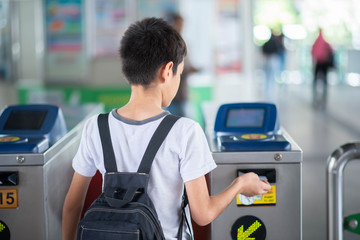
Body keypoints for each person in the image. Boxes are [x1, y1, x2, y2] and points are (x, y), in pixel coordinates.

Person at [62, 17, 271, 240]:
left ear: (126, 69)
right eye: (179, 73)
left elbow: (72, 205)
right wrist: (240, 184)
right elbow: (203, 214)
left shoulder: (96, 127)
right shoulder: (185, 131)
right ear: (167, 71)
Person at [166, 13, 199, 117]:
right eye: (178, 24)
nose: (181, 27)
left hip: (182, 92)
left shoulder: (182, 43)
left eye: (182, 24)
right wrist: (186, 70)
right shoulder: (167, 44)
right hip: (172, 95)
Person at [311, 28, 334, 109]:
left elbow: (313, 53)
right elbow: (331, 51)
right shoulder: (325, 43)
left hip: (319, 64)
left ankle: (316, 100)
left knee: (315, 83)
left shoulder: (316, 42)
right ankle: (323, 101)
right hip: (324, 65)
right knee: (324, 83)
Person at [262, 30, 282, 101]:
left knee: (268, 77)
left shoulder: (267, 43)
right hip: (272, 60)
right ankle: (270, 93)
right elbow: (280, 50)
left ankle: (268, 93)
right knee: (272, 77)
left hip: (268, 60)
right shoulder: (275, 42)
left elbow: (263, 51)